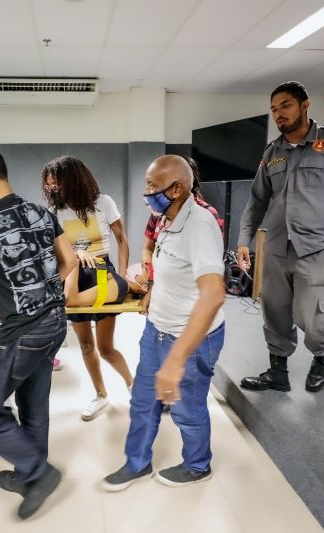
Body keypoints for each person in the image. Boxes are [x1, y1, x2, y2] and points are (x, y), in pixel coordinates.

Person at [0, 144, 77, 520]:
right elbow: (70, 260)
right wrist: (46, 293)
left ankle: (39, 473)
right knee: (32, 403)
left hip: (19, 333)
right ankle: (30, 474)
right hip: (55, 323)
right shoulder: (40, 211)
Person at [102, 155, 227, 491]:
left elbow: (214, 294)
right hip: (157, 328)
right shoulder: (165, 219)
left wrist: (175, 360)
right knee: (143, 401)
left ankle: (198, 465)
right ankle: (137, 463)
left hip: (191, 337)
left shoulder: (200, 224)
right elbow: (168, 266)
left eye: (151, 186)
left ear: (176, 189)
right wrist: (152, 293)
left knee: (187, 408)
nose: (146, 193)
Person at [237, 81, 324, 394]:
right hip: (279, 247)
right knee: (275, 311)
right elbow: (257, 200)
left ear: (304, 105)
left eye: (285, 106)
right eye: (273, 110)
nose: (278, 114)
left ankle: (323, 358)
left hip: (318, 249)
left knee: (316, 314)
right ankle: (277, 373)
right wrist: (244, 239)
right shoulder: (273, 152)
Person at [41, 155, 134, 420]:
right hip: (73, 272)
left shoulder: (103, 202)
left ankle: (132, 384)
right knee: (84, 345)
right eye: (48, 185)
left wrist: (125, 276)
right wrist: (74, 255)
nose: (51, 188)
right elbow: (57, 251)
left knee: (106, 347)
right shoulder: (55, 212)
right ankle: (101, 395)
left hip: (101, 272)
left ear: (71, 179)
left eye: (55, 183)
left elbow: (121, 239)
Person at [138, 155, 223, 322]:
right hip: (161, 310)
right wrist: (152, 285)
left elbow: (210, 286)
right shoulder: (160, 213)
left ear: (179, 186)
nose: (147, 192)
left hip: (186, 314)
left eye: (152, 185)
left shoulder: (203, 220)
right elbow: (148, 248)